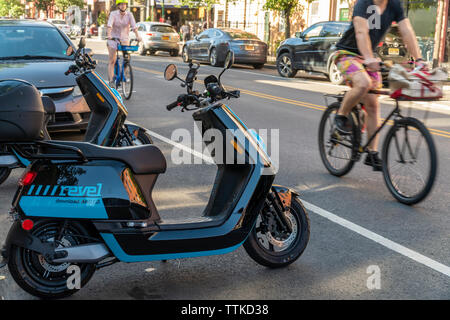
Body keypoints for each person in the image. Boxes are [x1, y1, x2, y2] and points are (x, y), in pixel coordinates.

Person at [333, 0, 424, 171]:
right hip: (347, 53)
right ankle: (341, 115)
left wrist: (418, 60)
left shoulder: (394, 5)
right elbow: (361, 32)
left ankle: (372, 153)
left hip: (370, 57)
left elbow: (407, 31)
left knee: (373, 104)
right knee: (363, 83)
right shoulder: (363, 3)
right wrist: (368, 58)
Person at [106, 0, 142, 87]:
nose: (123, 6)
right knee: (112, 61)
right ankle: (111, 81)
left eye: (124, 4)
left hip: (124, 40)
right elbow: (109, 25)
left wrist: (138, 36)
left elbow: (134, 27)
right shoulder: (113, 14)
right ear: (118, 6)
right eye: (121, 4)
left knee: (126, 59)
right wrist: (109, 35)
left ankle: (123, 74)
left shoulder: (129, 14)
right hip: (113, 39)